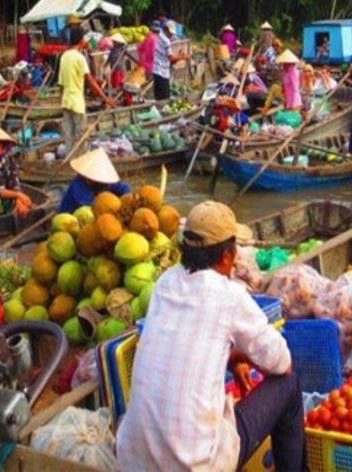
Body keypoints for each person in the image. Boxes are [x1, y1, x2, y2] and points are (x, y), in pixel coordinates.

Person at [117, 201, 302, 472]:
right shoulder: (229, 296)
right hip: (196, 465)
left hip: (134, 460)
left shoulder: (164, 284)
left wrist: (233, 358)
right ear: (227, 256)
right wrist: (246, 356)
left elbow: (186, 346)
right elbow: (282, 362)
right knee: (289, 384)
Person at [59, 27, 112, 154]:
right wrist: (105, 98)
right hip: (77, 104)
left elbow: (60, 85)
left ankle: (71, 163)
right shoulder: (79, 58)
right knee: (81, 138)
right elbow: (91, 81)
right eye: (84, 39)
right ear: (80, 40)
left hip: (66, 102)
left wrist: (63, 98)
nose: (85, 41)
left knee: (69, 138)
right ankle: (81, 165)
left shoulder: (64, 56)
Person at [57, 148, 131, 214]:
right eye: (87, 177)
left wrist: (125, 200)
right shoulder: (79, 185)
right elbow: (89, 208)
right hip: (72, 218)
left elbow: (124, 188)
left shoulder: (105, 181)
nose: (88, 180)